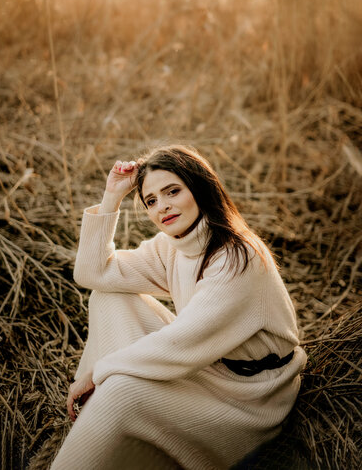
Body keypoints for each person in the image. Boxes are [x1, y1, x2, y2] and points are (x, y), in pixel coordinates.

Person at [50, 145, 307, 470]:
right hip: (210, 366)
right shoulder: (173, 246)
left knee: (119, 390)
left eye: (173, 191)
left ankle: (105, 417)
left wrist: (99, 372)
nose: (163, 207)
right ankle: (105, 426)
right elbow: (93, 273)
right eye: (151, 200)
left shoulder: (239, 258)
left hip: (251, 397)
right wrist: (112, 196)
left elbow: (182, 341)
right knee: (107, 297)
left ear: (199, 188)